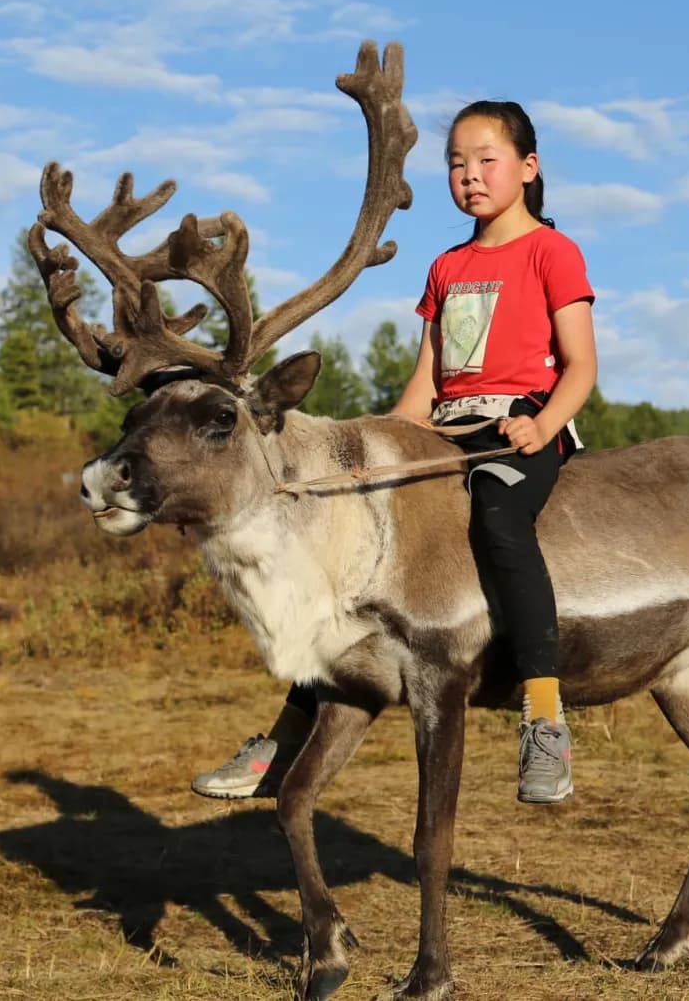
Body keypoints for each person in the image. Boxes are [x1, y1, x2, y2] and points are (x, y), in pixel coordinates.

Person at [192, 99, 598, 805]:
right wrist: (371, 443)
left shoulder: (552, 253)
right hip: (444, 431)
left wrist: (546, 424)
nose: (469, 175)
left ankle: (542, 717)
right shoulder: (448, 267)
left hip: (518, 427)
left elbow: (582, 365)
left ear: (528, 169)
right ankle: (288, 731)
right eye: (456, 164)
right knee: (354, 560)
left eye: (486, 160)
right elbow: (426, 379)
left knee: (501, 520)